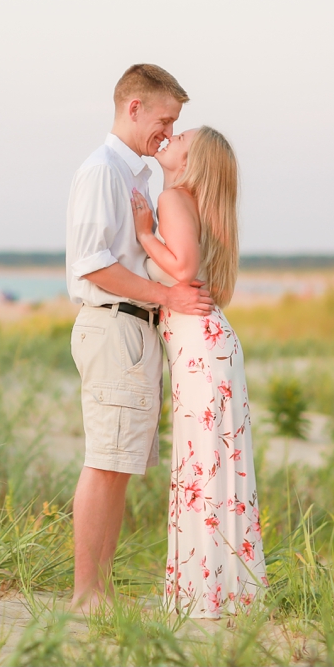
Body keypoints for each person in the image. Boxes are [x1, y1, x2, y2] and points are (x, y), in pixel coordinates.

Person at [65, 64, 214, 612]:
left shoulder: (138, 177)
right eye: (165, 119)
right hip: (114, 325)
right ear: (134, 108)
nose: (169, 134)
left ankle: (100, 591)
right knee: (105, 462)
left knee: (120, 464)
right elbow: (93, 264)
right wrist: (171, 298)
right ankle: (86, 597)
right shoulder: (103, 171)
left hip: (134, 329)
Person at [130, 126, 267, 619]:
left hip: (201, 352)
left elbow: (184, 270)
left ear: (194, 160)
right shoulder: (194, 204)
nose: (172, 137)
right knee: (213, 469)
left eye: (181, 136)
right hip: (211, 348)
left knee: (201, 468)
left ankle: (204, 595)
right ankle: (220, 592)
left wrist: (145, 235)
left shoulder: (172, 198)